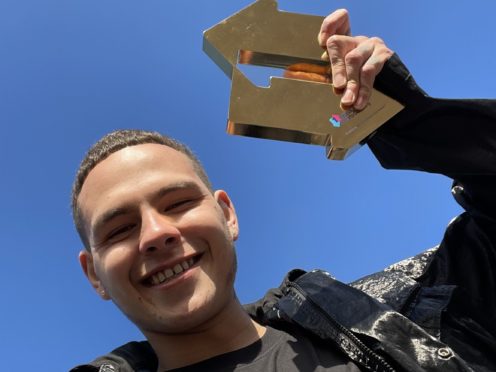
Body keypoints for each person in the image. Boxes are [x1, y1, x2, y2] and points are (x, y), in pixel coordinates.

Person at [70, 9, 496, 372]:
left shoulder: (404, 318)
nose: (155, 234)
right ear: (94, 275)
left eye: (178, 203)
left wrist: (414, 124)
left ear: (227, 215)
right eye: (119, 229)